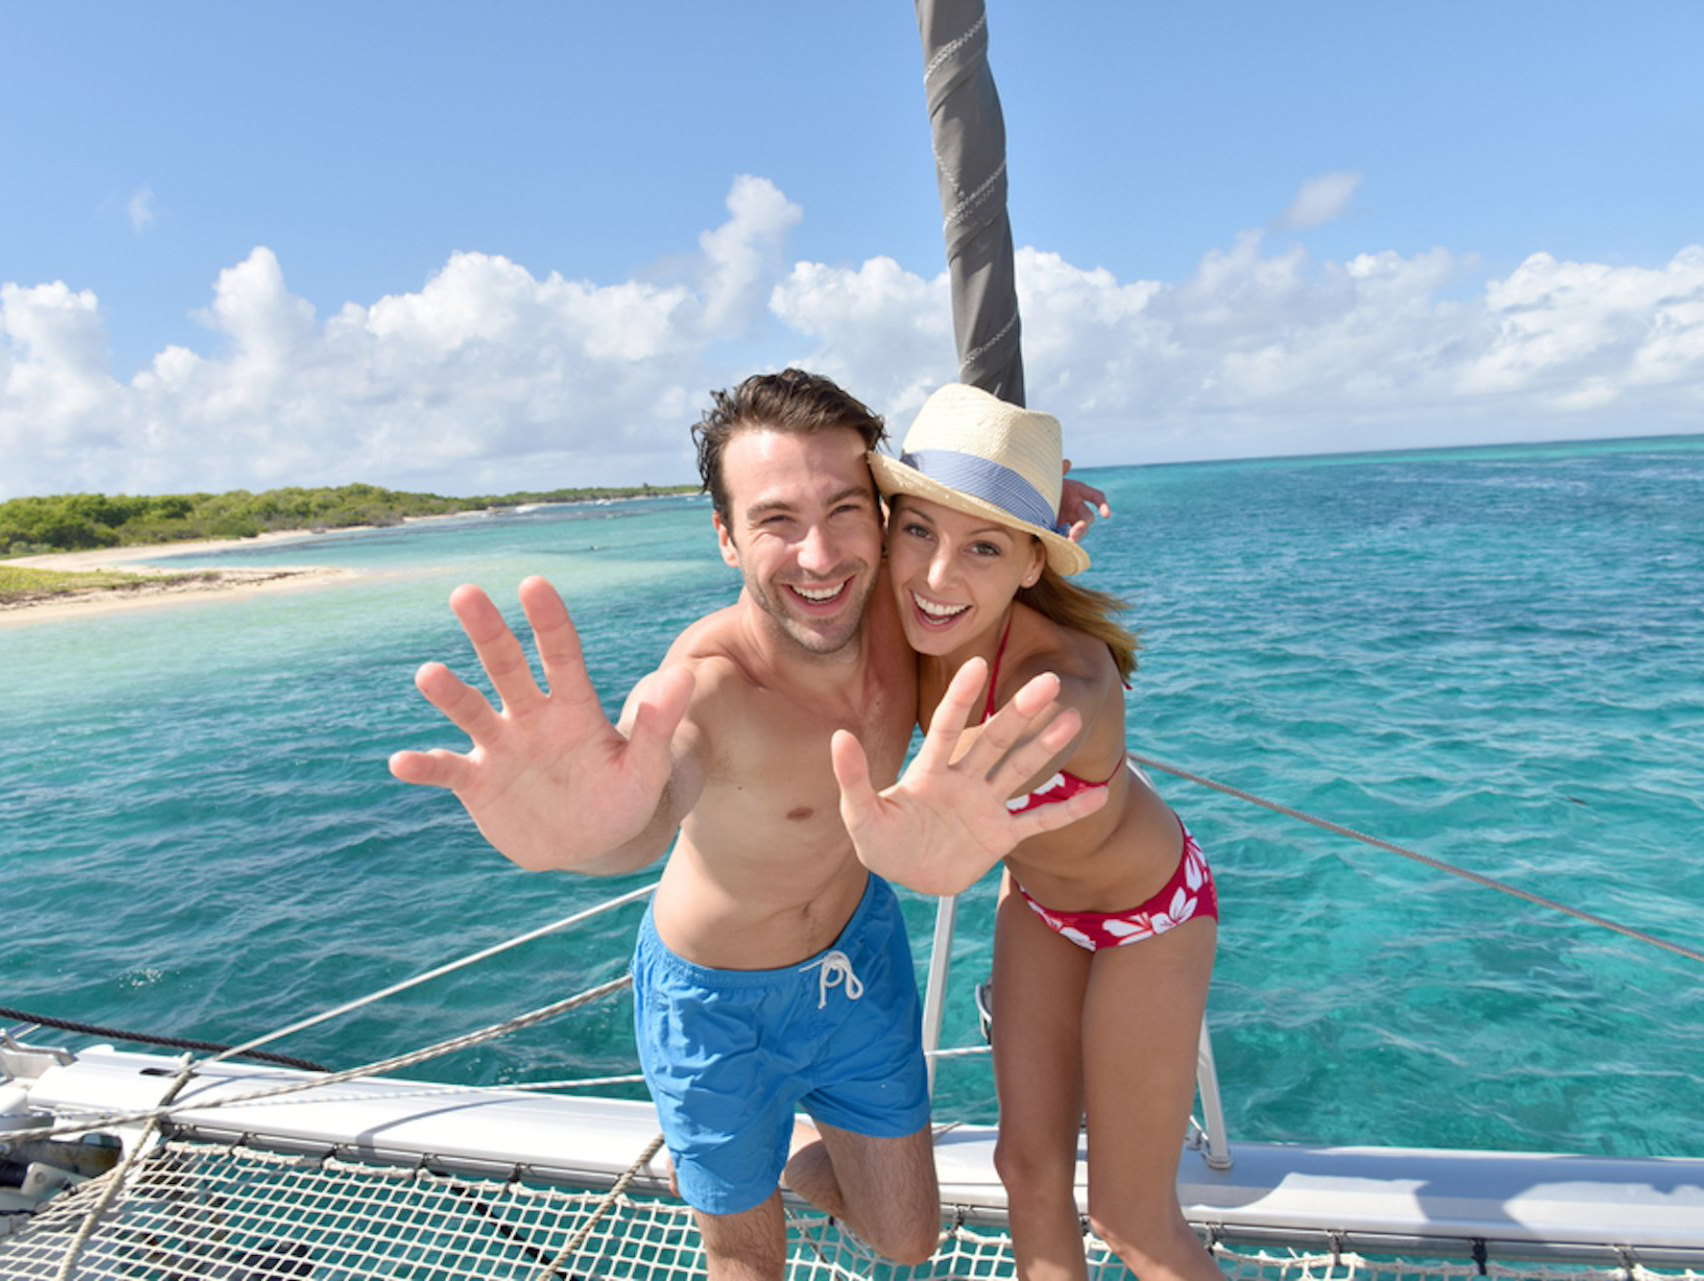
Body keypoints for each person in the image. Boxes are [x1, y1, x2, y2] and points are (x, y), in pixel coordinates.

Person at [388, 369, 1106, 1281]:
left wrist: (1028, 505)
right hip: (714, 1004)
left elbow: (973, 553)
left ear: (886, 518)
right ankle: (750, 1166)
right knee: (748, 1258)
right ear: (726, 537)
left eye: (845, 510)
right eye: (776, 520)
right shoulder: (707, 683)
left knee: (907, 1238)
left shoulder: (906, 613)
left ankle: (795, 1156)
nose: (819, 556)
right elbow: (648, 808)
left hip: (857, 959)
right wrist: (583, 838)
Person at [831, 383, 1222, 1281]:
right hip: (1039, 904)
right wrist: (1022, 501)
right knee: (1025, 1169)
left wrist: (929, 833)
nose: (937, 577)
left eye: (985, 546)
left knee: (1130, 1218)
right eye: (919, 530)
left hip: (1150, 916)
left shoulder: (1062, 680)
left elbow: (1053, 722)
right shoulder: (906, 609)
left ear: (1033, 564)